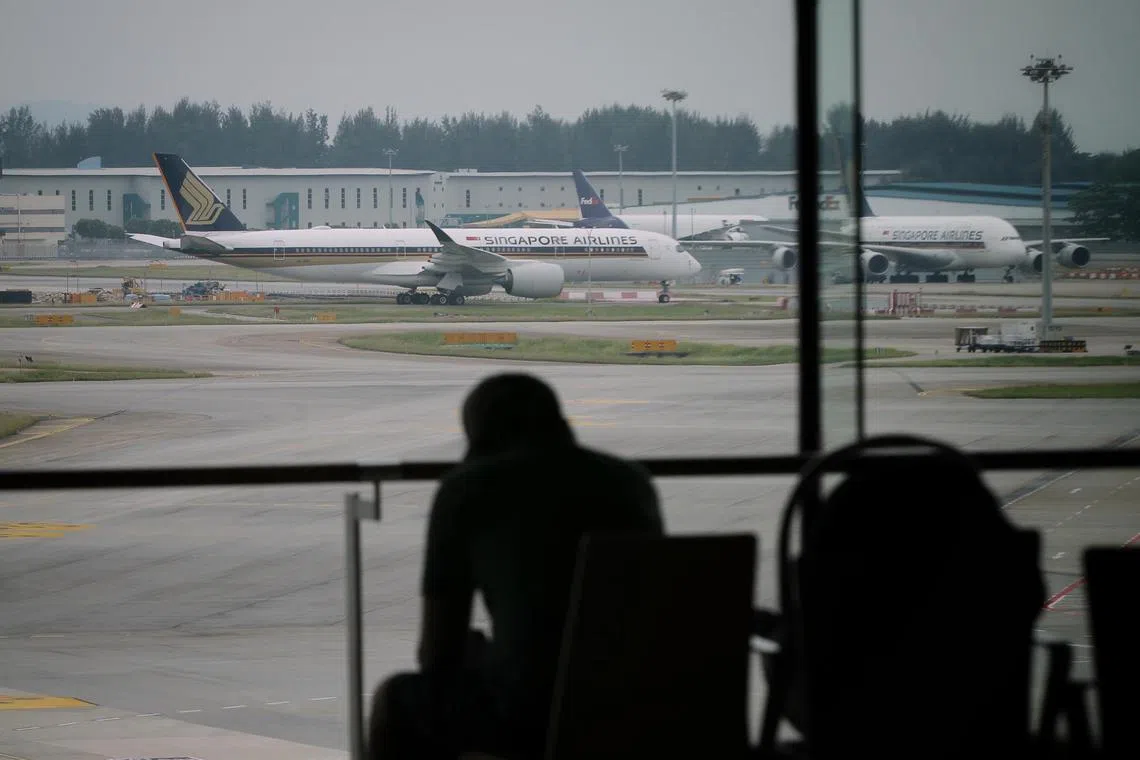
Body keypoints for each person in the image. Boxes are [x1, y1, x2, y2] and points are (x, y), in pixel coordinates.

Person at [368, 372, 664, 760]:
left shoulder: (468, 487)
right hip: (635, 699)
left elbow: (438, 654)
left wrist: (485, 657)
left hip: (530, 712)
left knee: (393, 700)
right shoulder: (632, 482)